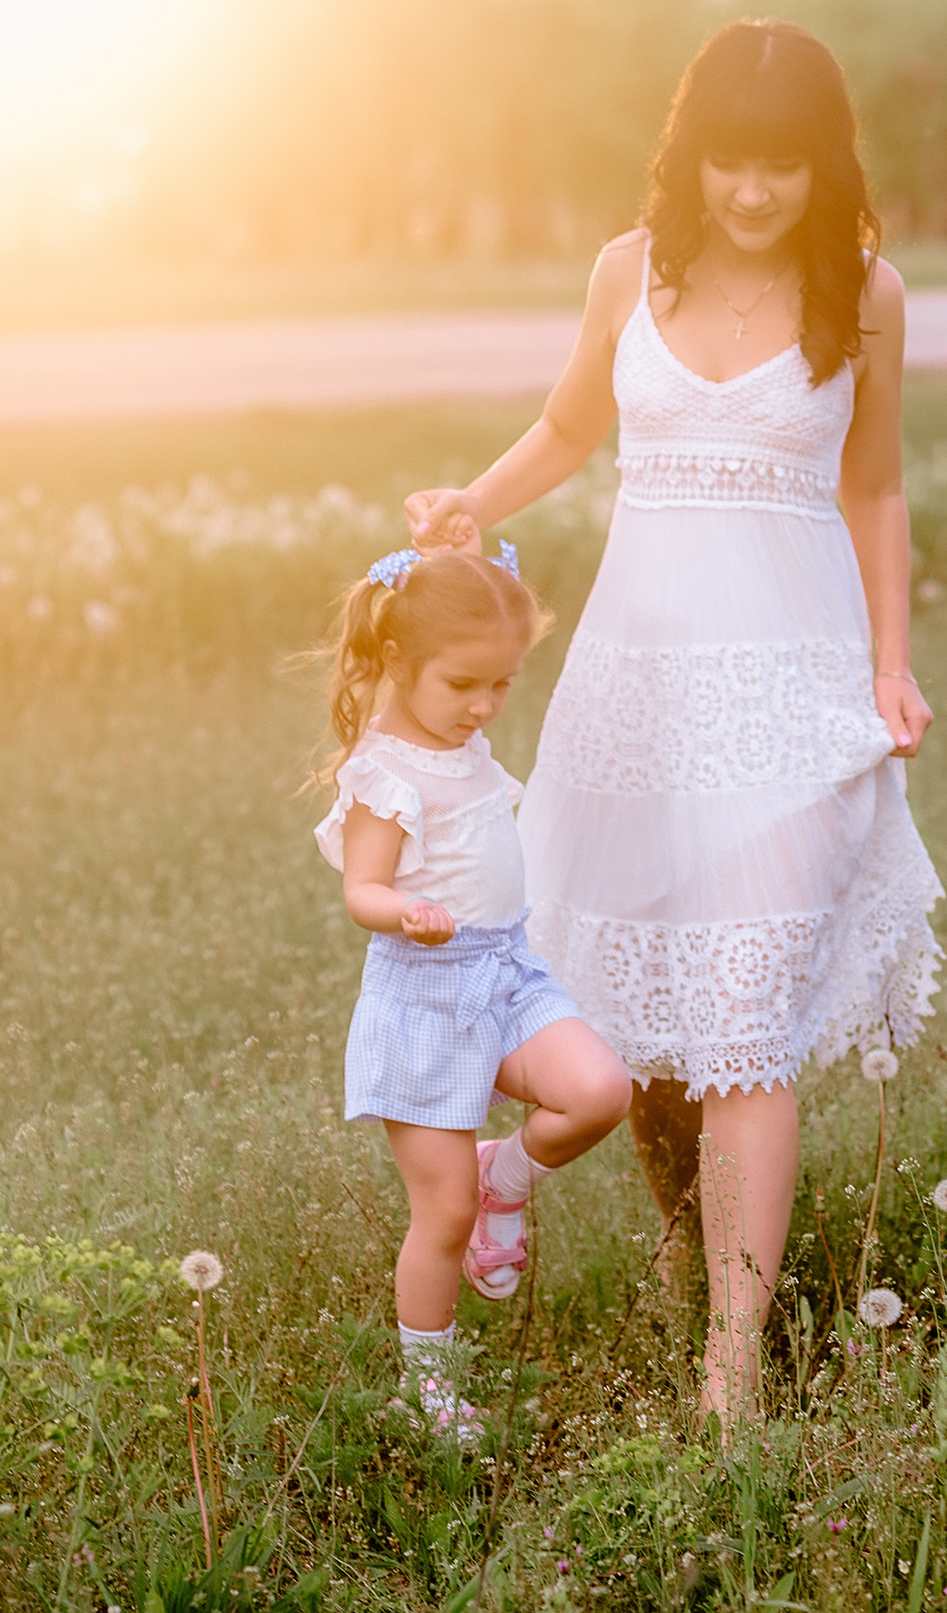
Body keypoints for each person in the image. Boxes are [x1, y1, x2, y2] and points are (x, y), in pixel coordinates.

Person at [404, 19, 943, 1424]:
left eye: (782, 169)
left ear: (825, 167)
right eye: (728, 166)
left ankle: (732, 1371)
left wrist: (893, 664)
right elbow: (571, 429)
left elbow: (875, 491)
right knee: (634, 1028)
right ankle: (650, 1230)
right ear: (687, 157)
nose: (754, 195)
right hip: (633, 690)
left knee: (747, 1025)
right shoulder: (627, 272)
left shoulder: (868, 294)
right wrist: (478, 503)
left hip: (790, 692)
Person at [313, 544, 634, 1441]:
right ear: (396, 664)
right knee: (442, 1212)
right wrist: (402, 910)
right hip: (426, 994)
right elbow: (360, 889)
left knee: (601, 1090)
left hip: (509, 971)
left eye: (502, 683)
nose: (486, 706)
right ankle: (432, 1386)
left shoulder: (467, 741)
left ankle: (510, 1172)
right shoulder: (386, 773)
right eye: (464, 684)